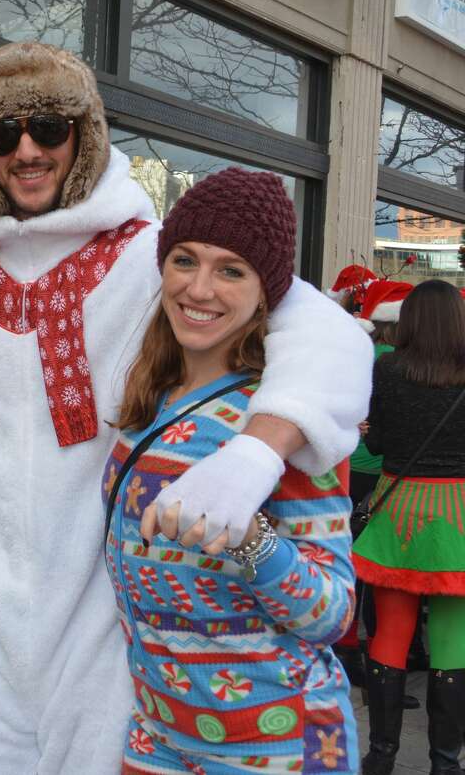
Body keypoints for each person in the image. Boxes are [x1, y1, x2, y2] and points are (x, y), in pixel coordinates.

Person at [0, 42, 373, 771]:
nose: (27, 149)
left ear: (85, 135)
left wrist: (253, 456)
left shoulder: (161, 258)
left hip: (108, 654)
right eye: (0, 133)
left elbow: (327, 333)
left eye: (50, 127)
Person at [106, 168, 356, 773]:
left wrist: (252, 539)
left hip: (273, 740)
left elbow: (333, 613)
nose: (200, 288)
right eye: (184, 260)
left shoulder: (284, 416)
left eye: (231, 270)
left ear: (267, 290)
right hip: (157, 730)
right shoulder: (149, 399)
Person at [352, 279, 465, 775]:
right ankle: (445, 763)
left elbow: (375, 448)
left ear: (410, 320)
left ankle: (381, 757)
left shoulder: (388, 369)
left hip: (399, 507)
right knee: (453, 637)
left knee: (391, 633)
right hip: (460, 512)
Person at [335, 279, 410, 688]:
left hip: (354, 467)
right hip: (382, 473)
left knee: (348, 558)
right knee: (371, 567)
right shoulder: (397, 363)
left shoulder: (365, 355)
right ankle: (360, 649)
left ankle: (346, 643)